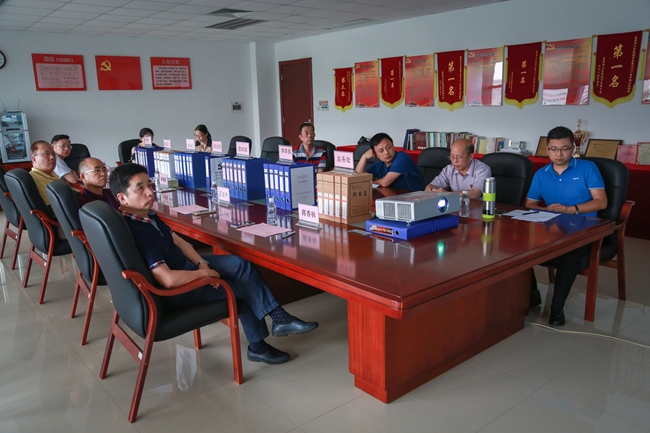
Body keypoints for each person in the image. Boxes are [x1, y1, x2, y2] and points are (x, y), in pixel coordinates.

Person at [109, 163, 318, 364]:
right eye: (140, 188)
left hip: (185, 267)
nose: (150, 192)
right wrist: (204, 275)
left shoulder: (147, 215)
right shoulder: (136, 231)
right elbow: (168, 279)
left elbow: (179, 242)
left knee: (239, 265)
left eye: (149, 184)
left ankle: (279, 319)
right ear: (122, 198)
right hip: (176, 290)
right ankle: (258, 347)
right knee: (240, 290)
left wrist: (202, 263)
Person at [525, 126, 607, 326]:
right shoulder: (541, 174)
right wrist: (546, 209)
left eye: (564, 149)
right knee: (519, 247)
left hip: (584, 228)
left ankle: (556, 309)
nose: (559, 154)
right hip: (551, 228)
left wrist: (573, 209)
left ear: (572, 148)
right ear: (547, 149)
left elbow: (601, 202)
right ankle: (532, 293)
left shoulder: (587, 168)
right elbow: (530, 204)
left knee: (569, 255)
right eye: (554, 149)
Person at [425, 138, 491, 199]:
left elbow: (475, 193)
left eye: (459, 157)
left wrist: (448, 194)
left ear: (470, 157)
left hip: (476, 206)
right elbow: (434, 184)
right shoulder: (449, 169)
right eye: (452, 156)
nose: (454, 161)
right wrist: (430, 187)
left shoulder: (483, 170)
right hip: (455, 206)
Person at [355, 132, 424, 190]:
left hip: (415, 197)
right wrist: (364, 157)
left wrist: (371, 182)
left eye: (388, 147)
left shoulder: (402, 158)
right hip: (395, 197)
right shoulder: (380, 164)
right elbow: (357, 178)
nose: (386, 152)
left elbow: (385, 182)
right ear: (375, 154)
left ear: (393, 146)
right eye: (381, 151)